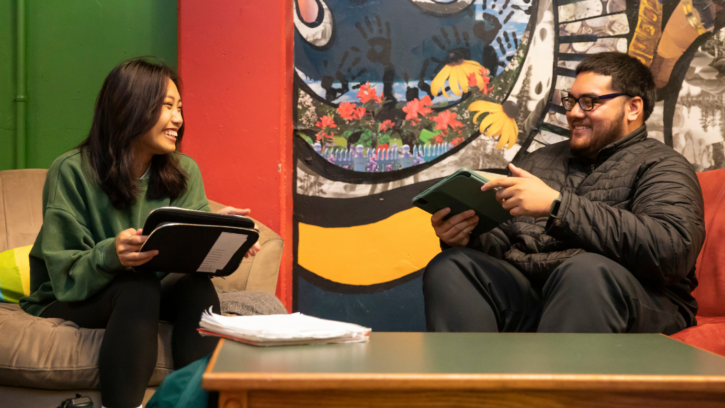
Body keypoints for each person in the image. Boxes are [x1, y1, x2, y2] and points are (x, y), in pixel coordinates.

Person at [19, 58, 261, 408]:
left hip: (151, 288)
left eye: (179, 108)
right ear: (130, 107)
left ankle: (200, 401)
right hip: (75, 295)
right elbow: (64, 275)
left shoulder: (184, 171)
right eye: (167, 107)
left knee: (196, 288)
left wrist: (221, 235)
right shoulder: (71, 171)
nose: (178, 119)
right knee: (138, 286)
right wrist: (111, 254)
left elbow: (189, 261)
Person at [423, 52, 705, 334]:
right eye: (571, 101)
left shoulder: (663, 165)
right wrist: (466, 236)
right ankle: (467, 378)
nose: (574, 113)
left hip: (638, 300)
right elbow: (504, 244)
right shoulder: (537, 162)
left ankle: (553, 379)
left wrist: (557, 206)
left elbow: (671, 250)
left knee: (586, 272)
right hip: (541, 295)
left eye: (589, 102)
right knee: (453, 265)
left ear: (633, 108)